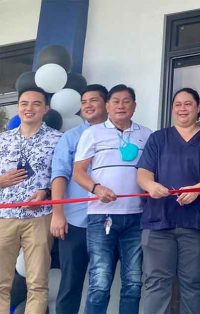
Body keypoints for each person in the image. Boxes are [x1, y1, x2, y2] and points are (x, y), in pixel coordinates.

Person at [136, 87, 200, 314]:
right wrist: (151, 186)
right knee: (156, 282)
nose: (183, 109)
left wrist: (198, 190)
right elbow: (143, 173)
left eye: (188, 104)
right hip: (158, 221)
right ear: (172, 109)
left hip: (195, 222)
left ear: (198, 107)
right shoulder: (158, 138)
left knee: (192, 282)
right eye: (178, 104)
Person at [73, 84, 152, 314]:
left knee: (133, 283)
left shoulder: (146, 134)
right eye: (115, 101)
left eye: (126, 101)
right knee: (99, 282)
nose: (121, 106)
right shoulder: (92, 133)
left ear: (134, 106)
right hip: (101, 217)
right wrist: (96, 188)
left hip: (137, 218)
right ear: (107, 106)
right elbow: (78, 172)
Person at [0, 87, 62, 313]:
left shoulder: (58, 139)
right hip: (4, 216)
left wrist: (45, 192)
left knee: (37, 283)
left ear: (46, 109)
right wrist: (1, 180)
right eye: (24, 103)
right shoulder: (3, 139)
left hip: (39, 217)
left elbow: (64, 176)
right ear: (18, 107)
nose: (29, 108)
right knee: (1, 282)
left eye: (36, 103)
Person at [50, 84, 109, 314]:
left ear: (106, 103)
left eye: (93, 100)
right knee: (70, 284)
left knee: (102, 285)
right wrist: (57, 214)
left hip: (108, 222)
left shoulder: (118, 136)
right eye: (84, 102)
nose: (87, 105)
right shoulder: (71, 137)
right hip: (75, 222)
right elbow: (59, 175)